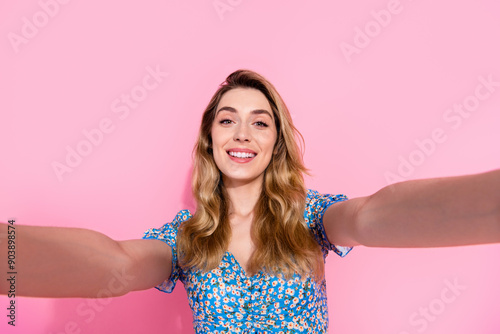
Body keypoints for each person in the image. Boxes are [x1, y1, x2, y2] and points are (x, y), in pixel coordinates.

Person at [1, 69, 499, 333]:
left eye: (260, 121)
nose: (242, 133)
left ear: (276, 141)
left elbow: (372, 217)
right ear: (210, 138)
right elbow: (117, 264)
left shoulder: (312, 218)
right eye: (227, 119)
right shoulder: (185, 238)